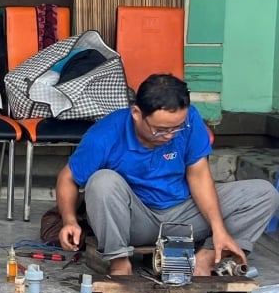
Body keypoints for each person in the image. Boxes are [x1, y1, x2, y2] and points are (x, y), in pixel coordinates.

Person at [55, 73, 279, 276]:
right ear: (136, 113)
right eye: (160, 129)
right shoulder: (105, 135)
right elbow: (67, 178)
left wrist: (219, 229)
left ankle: (207, 258)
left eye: (176, 128)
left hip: (185, 215)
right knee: (102, 181)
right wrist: (69, 220)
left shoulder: (190, 120)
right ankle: (119, 261)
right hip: (136, 221)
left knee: (264, 193)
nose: (169, 136)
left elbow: (199, 176)